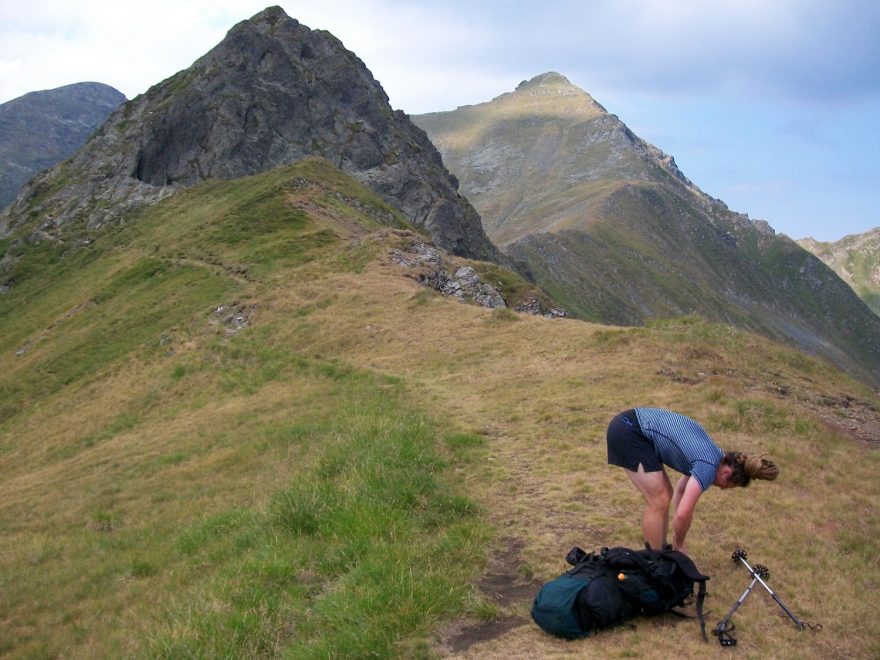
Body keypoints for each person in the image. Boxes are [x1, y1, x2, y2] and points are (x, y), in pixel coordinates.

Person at [606, 408, 778, 555]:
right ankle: (653, 562)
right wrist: (679, 543)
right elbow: (682, 515)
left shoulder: (712, 454)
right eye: (728, 486)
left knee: (665, 495)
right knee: (658, 500)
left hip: (632, 425)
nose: (722, 489)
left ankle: (660, 552)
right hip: (629, 431)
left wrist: (677, 539)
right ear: (727, 472)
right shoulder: (708, 466)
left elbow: (681, 492)